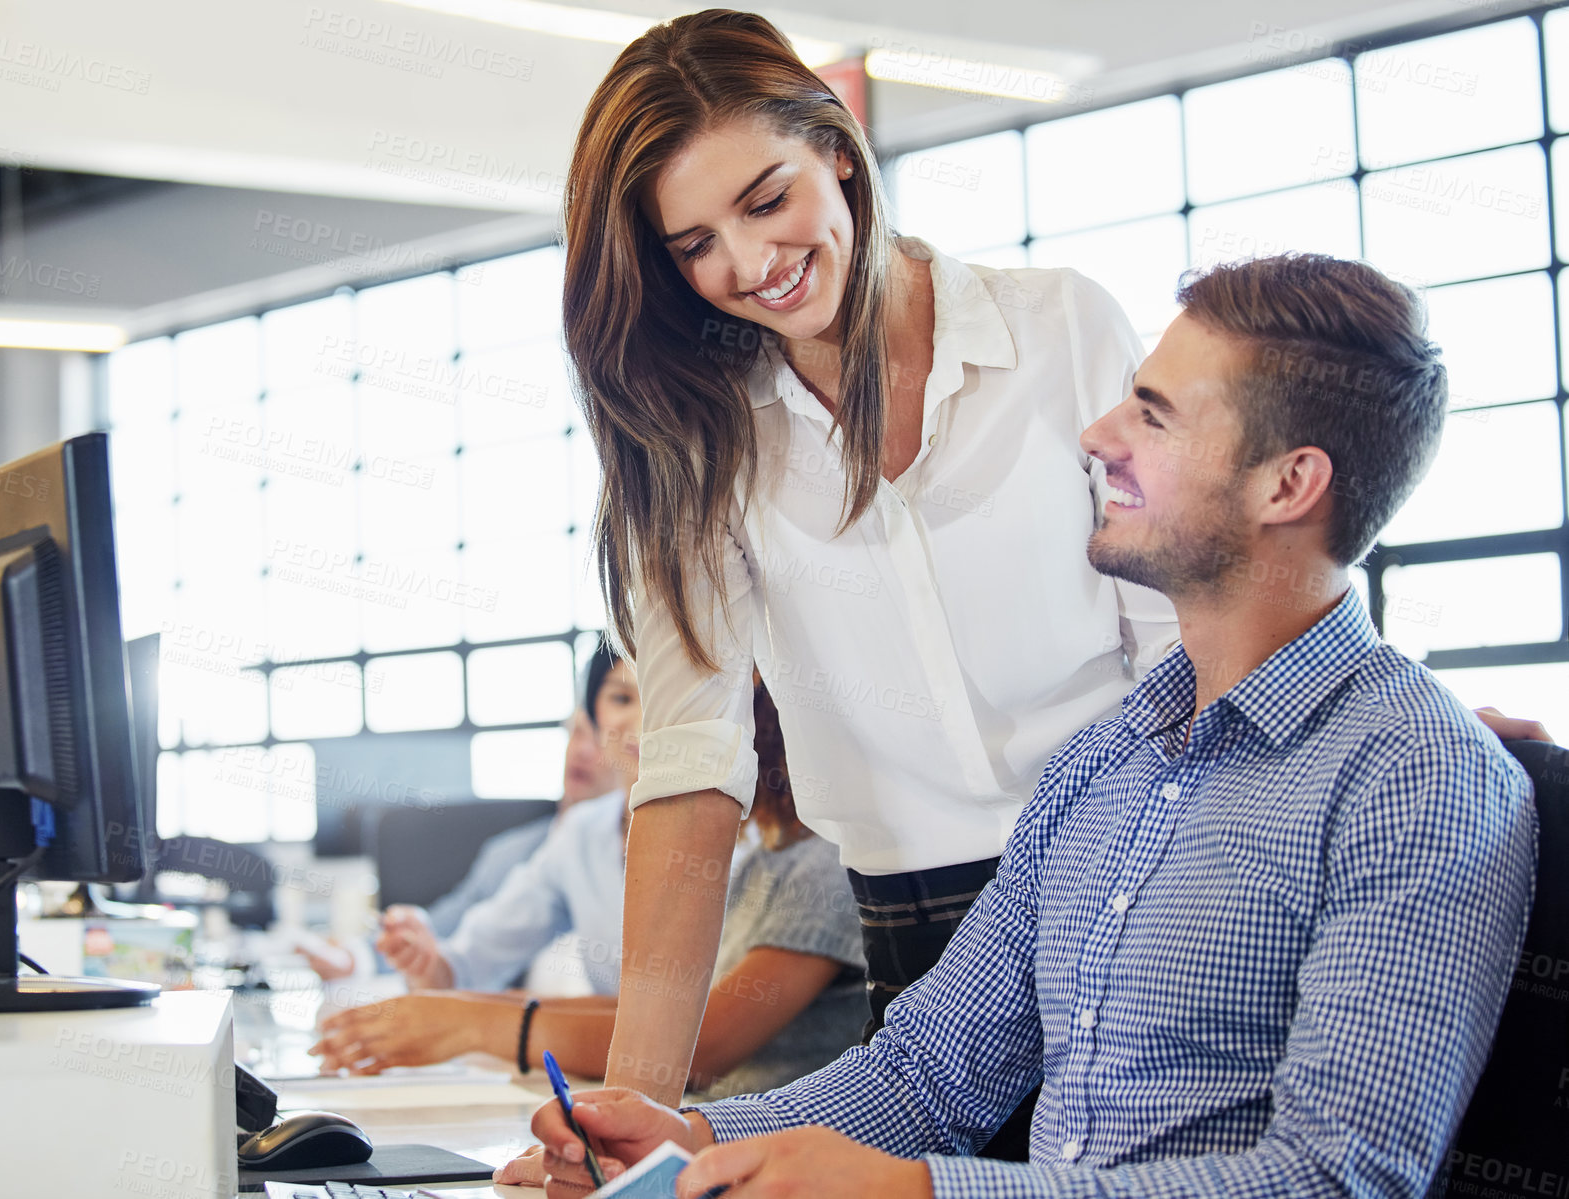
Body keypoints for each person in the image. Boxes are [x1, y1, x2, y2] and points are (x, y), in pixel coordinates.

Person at [555, 10, 1545, 1124]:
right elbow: (690, 772)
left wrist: (1383, 729)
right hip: (914, 925)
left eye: (765, 199)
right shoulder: (697, 441)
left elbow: (1205, 598)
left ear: (837, 148)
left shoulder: (1057, 327)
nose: (746, 264)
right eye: (691, 245)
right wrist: (629, 1119)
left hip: (1142, 876)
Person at [311, 679, 867, 1110]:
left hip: (767, 1148)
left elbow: (700, 1043)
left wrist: (472, 1024)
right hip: (705, 1123)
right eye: (626, 697)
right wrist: (453, 1011)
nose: (651, 724)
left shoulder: (822, 858)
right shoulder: (762, 846)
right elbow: (654, 1013)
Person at [295, 653, 620, 983]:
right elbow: (456, 941)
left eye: (598, 738)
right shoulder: (519, 851)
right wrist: (362, 956)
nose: (584, 751)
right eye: (579, 732)